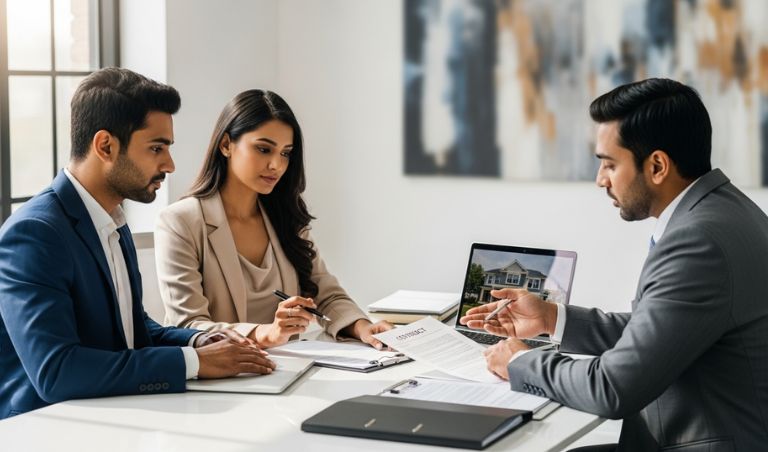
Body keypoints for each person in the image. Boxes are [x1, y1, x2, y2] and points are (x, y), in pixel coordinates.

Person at [461, 78, 768, 451]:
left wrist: (521, 363)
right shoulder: (725, 211)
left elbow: (612, 388)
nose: (599, 180)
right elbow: (659, 332)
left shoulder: (697, 241)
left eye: (609, 165)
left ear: (657, 165)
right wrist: (551, 318)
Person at [0, 68, 275, 419]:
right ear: (106, 146)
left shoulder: (111, 219)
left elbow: (131, 329)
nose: (170, 164)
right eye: (156, 148)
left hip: (113, 414)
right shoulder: (35, 234)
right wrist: (192, 362)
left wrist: (198, 342)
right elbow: (56, 371)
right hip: (45, 427)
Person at [155, 89, 392, 349]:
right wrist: (265, 334)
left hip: (292, 373)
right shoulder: (180, 222)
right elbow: (188, 325)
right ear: (226, 145)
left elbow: (325, 293)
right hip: (220, 381)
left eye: (285, 153)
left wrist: (364, 327)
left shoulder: (286, 217)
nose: (276, 165)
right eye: (264, 149)